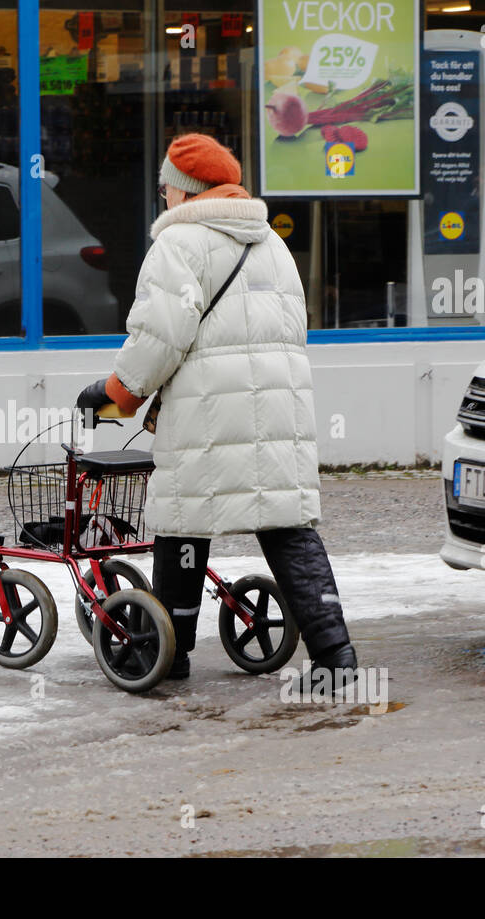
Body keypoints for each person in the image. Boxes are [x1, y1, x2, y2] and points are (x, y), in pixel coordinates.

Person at [77, 133, 358, 683]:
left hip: (207, 414)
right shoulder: (271, 245)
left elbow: (159, 338)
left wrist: (117, 393)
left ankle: (172, 652)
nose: (163, 199)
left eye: (166, 189)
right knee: (288, 527)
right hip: (280, 414)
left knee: (183, 525)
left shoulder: (177, 246)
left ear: (187, 192)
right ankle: (337, 656)